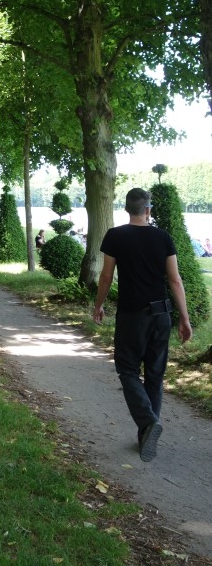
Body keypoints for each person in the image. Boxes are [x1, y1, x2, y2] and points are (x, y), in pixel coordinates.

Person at [93, 187, 193, 462]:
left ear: (127, 209)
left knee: (127, 370)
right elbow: (175, 281)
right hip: (162, 314)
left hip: (132, 315)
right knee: (155, 375)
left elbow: (105, 276)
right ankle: (148, 432)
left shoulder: (115, 236)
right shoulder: (163, 237)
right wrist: (184, 318)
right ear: (148, 210)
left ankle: (148, 424)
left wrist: (99, 304)